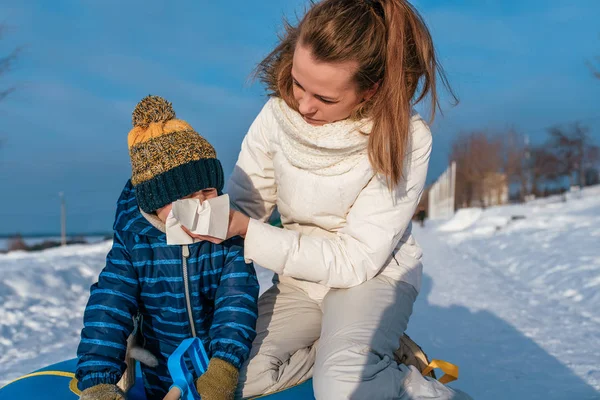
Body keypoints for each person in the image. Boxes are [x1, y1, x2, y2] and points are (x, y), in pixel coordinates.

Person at [196, 0, 472, 398]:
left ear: (369, 91)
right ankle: (359, 351)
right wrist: (196, 215)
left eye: (325, 99)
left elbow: (356, 259)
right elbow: (245, 206)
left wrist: (247, 232)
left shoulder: (405, 138)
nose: (304, 105)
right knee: (228, 374)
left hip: (370, 278)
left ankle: (401, 380)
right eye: (297, 82)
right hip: (300, 281)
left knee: (342, 387)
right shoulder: (277, 115)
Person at [75, 96, 259, 400]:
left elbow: (236, 302)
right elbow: (109, 307)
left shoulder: (226, 237)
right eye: (185, 195)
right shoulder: (135, 243)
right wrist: (97, 379)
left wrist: (224, 365)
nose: (200, 203)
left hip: (217, 370)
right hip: (162, 374)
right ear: (155, 202)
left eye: (208, 190)